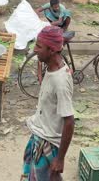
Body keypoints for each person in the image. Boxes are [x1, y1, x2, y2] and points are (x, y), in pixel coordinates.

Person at [22, 26, 74, 181]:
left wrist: (60, 158)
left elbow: (69, 122)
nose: (35, 49)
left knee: (50, 175)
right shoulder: (52, 65)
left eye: (38, 46)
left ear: (51, 50)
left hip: (48, 141)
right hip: (40, 132)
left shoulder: (60, 82)